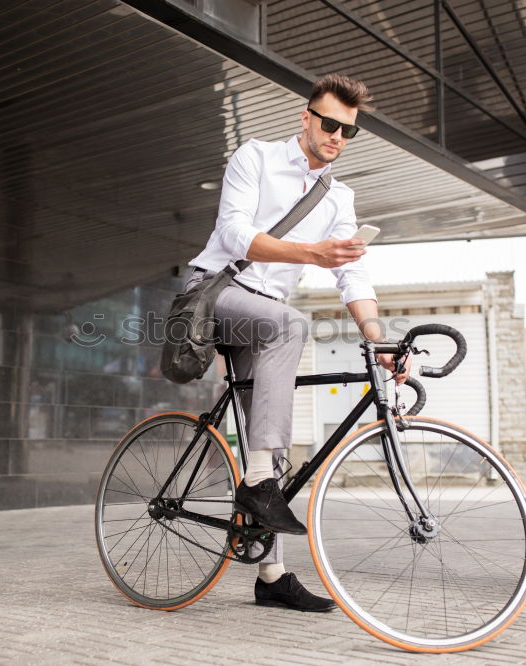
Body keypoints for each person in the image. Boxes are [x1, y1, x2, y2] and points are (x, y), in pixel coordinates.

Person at [185, 74, 410, 612]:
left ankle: (271, 574)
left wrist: (378, 340)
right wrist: (312, 255)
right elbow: (236, 234)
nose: (336, 136)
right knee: (291, 324)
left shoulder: (339, 197)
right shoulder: (255, 157)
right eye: (329, 123)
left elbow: (353, 277)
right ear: (306, 117)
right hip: (216, 294)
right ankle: (257, 482)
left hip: (261, 315)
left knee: (271, 443)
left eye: (348, 131)